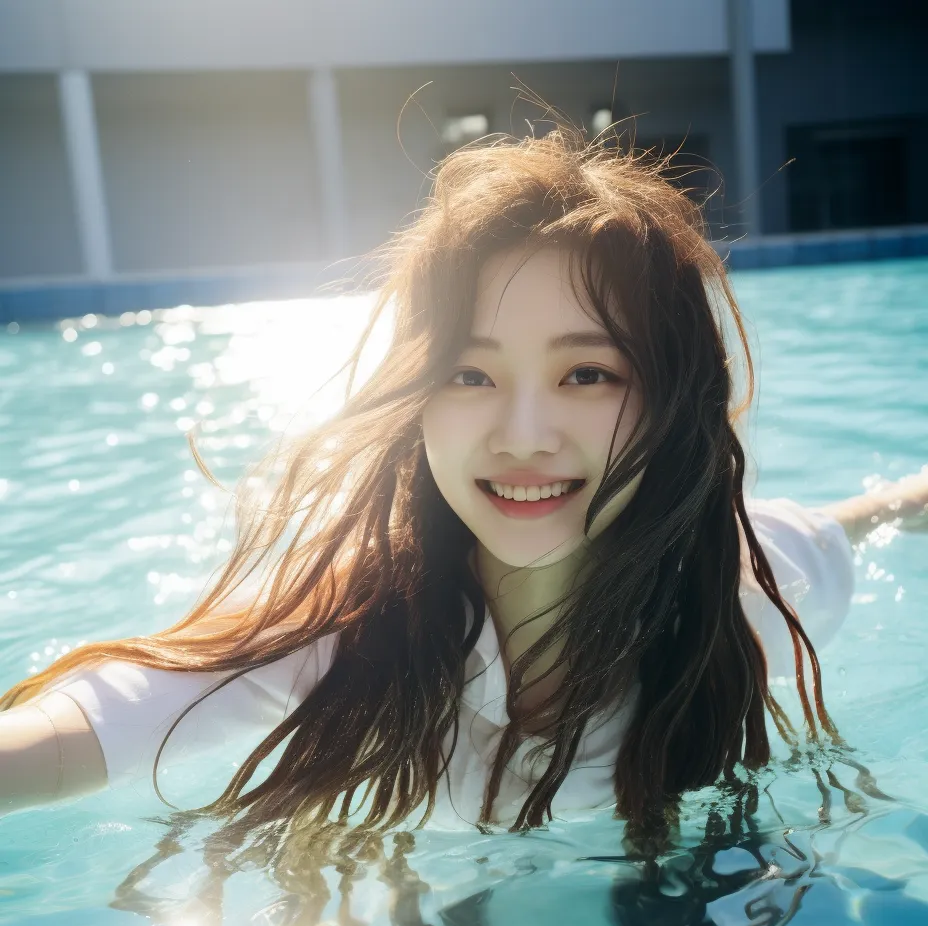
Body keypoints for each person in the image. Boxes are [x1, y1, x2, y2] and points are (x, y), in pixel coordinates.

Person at [1, 129, 926, 843]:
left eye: (588, 375)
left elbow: (839, 524)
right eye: (470, 375)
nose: (522, 437)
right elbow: (109, 714)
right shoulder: (349, 629)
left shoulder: (751, 587)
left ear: (672, 405)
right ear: (417, 403)